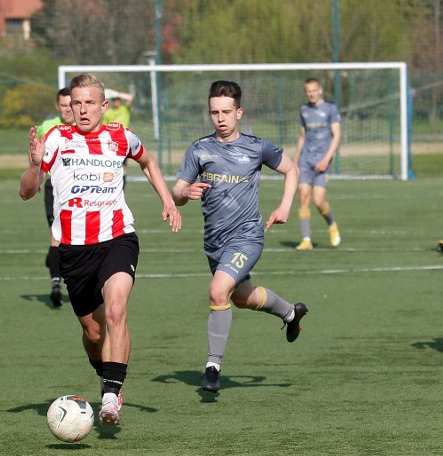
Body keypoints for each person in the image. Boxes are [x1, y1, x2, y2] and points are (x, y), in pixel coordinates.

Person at [20, 74, 181, 425]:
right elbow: (27, 192)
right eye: (76, 103)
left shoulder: (121, 137)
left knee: (117, 309)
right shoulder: (57, 139)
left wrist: (168, 200)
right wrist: (34, 166)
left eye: (89, 102)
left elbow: (149, 162)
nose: (82, 109)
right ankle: (104, 372)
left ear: (104, 106)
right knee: (93, 334)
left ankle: (111, 395)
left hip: (117, 239)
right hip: (74, 250)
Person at [171, 80, 308, 393]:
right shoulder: (199, 149)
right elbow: (177, 191)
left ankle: (212, 368)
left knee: (218, 291)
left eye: (226, 112)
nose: (220, 118)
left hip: (247, 236)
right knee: (242, 297)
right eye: (214, 112)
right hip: (214, 243)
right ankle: (291, 312)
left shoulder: (257, 147)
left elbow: (292, 170)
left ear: (239, 112)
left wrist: (284, 206)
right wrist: (184, 193)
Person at [36, 88, 76, 307]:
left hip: (79, 188)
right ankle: (55, 284)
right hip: (55, 187)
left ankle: (55, 263)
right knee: (57, 234)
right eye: (63, 106)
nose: (68, 110)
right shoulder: (47, 127)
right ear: (57, 107)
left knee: (70, 239)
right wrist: (37, 176)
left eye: (72, 105)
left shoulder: (84, 125)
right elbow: (36, 153)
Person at [294, 78, 342, 250]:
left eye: (314, 90)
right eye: (308, 91)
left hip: (323, 160)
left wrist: (326, 159)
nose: (311, 93)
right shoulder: (304, 110)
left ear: (320, 90)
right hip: (305, 159)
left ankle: (331, 224)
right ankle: (306, 240)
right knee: (303, 196)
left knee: (318, 201)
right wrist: (295, 162)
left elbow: (337, 136)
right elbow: (302, 136)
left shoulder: (330, 109)